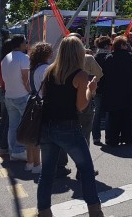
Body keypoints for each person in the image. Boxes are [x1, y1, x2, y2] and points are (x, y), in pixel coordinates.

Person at [37, 35, 102, 217]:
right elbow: (81, 106)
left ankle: (44, 211)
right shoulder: (80, 75)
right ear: (79, 53)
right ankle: (95, 211)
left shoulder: (49, 71)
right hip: (68, 127)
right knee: (87, 170)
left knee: (47, 172)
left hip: (47, 126)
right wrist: (91, 89)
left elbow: (44, 95)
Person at [101, 36, 132, 146]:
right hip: (128, 91)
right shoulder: (131, 58)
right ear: (122, 45)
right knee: (128, 116)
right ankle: (128, 138)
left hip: (112, 92)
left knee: (113, 117)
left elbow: (104, 76)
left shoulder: (109, 58)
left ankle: (111, 139)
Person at [0, 34, 30, 161]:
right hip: (22, 95)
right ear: (21, 44)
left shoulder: (6, 57)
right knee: (25, 125)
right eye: (25, 42)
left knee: (13, 125)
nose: (26, 44)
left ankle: (13, 151)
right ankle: (20, 150)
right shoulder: (24, 57)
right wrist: (30, 90)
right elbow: (25, 77)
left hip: (9, 95)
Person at [25, 42, 53, 174]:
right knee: (39, 137)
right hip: (43, 104)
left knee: (31, 134)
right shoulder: (47, 69)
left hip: (32, 101)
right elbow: (49, 90)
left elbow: (29, 86)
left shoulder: (33, 68)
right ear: (47, 54)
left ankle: (30, 162)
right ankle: (37, 165)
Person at [92, 36, 111, 145]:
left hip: (97, 87)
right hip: (108, 88)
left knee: (97, 113)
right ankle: (108, 137)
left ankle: (96, 137)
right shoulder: (109, 57)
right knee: (108, 112)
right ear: (106, 45)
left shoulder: (95, 57)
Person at [0, 39, 13, 155]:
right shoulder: (10, 60)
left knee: (4, 120)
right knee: (9, 121)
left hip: (3, 89)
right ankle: (4, 145)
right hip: (10, 91)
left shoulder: (0, 60)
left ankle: (2, 145)